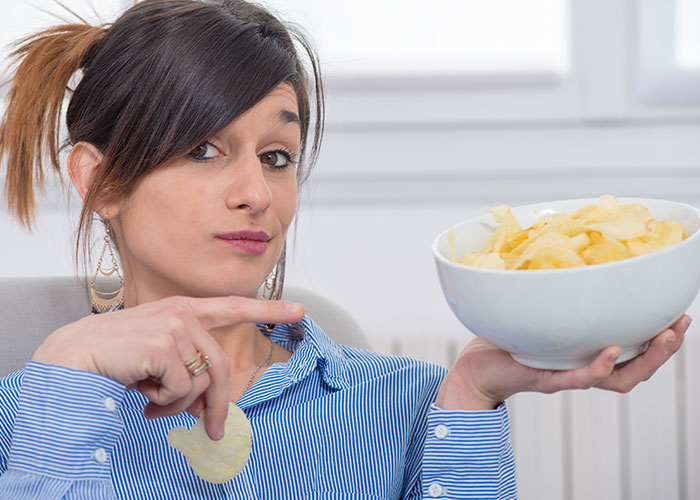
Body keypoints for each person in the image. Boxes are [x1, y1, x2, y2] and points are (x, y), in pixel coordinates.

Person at [0, 1, 690, 498]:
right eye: (202, 148)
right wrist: (67, 369)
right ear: (100, 181)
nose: (255, 194)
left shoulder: (417, 406)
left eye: (276, 156)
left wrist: (472, 399)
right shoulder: (24, 415)